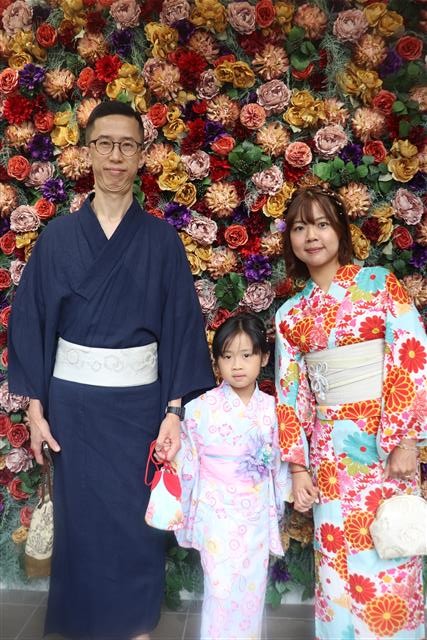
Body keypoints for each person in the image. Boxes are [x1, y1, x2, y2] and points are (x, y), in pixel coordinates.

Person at [8, 100, 215, 640]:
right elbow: (32, 321)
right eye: (105, 143)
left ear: (142, 155)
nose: (115, 156)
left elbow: (181, 327)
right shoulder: (58, 238)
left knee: (136, 525)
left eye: (127, 145)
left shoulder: (161, 241)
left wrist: (174, 412)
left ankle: (136, 627)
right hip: (72, 410)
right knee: (81, 525)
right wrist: (35, 410)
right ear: (88, 152)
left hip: (139, 410)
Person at [275, 186, 427, 640]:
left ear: (340, 230)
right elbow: (290, 394)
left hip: (383, 444)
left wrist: (407, 439)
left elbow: (411, 355)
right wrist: (298, 467)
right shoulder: (290, 314)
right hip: (327, 452)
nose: (311, 236)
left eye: (322, 224)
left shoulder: (379, 284)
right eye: (300, 227)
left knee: (389, 552)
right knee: (336, 562)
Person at [175, 312, 286, 640]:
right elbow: (187, 462)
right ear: (217, 362)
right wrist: (187, 508)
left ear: (263, 358)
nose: (237, 365)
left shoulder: (272, 410)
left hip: (255, 513)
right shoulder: (199, 409)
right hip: (216, 512)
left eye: (246, 355)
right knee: (220, 589)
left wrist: (280, 502)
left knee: (252, 590)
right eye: (227, 357)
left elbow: (279, 465)